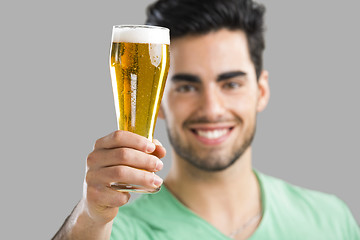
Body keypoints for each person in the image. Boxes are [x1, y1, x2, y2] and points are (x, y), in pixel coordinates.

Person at [53, 0, 360, 239]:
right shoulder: (111, 231)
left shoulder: (331, 220)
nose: (212, 109)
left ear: (261, 90)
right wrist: (90, 218)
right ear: (158, 98)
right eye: (187, 86)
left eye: (231, 83)